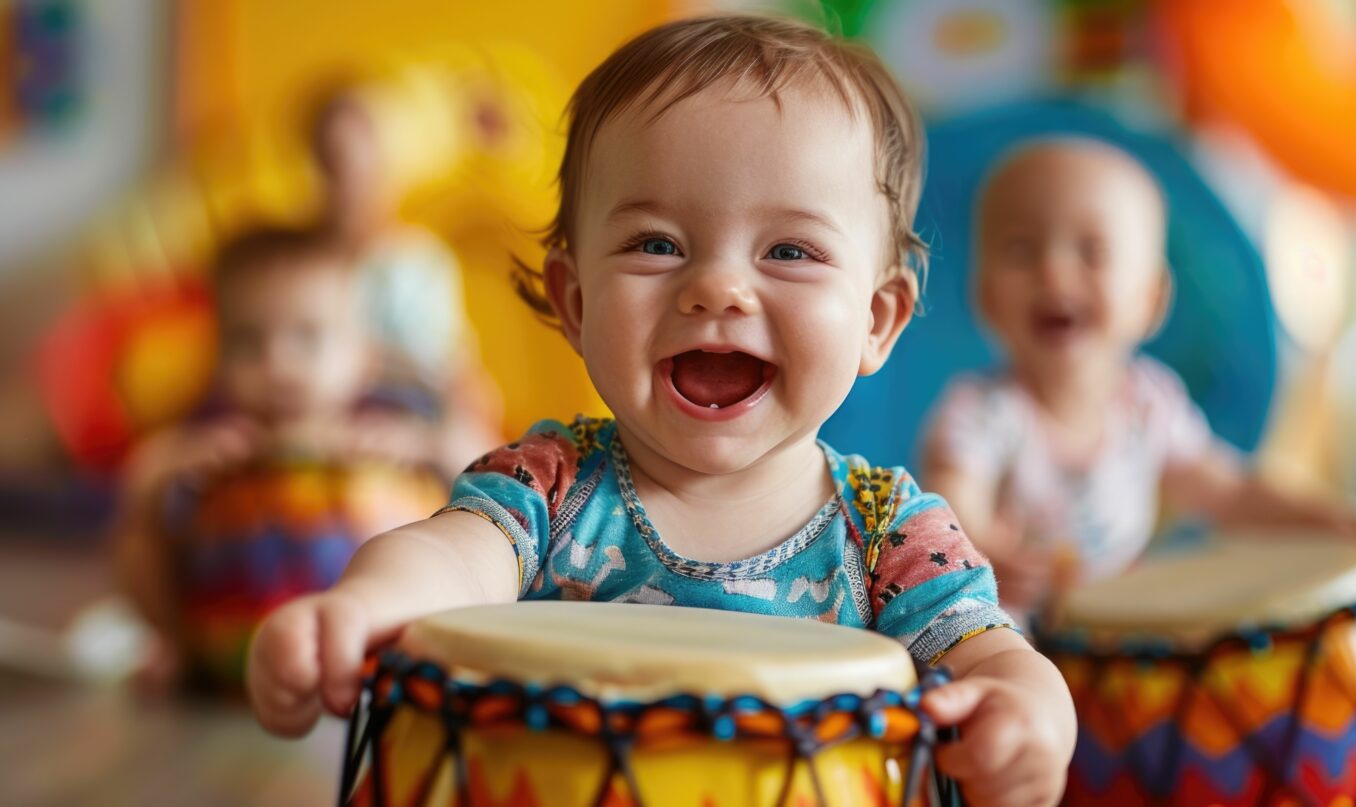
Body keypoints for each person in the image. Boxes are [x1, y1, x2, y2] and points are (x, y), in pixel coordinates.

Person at [249, 15, 1076, 806]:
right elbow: (451, 560)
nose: (717, 286)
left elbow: (994, 652)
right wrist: (357, 609)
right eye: (656, 244)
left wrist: (1029, 713)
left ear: (875, 319)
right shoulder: (550, 484)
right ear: (572, 299)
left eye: (789, 250)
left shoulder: (890, 533)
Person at [921, 137, 1356, 616]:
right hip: (1006, 634)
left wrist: (1354, 527)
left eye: (1091, 251)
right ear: (983, 295)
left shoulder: (1149, 404)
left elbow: (1234, 495)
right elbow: (953, 505)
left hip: (1110, 637)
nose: (1054, 272)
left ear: (1151, 299)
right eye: (1021, 250)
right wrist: (983, 552)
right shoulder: (979, 411)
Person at [113, 226, 447, 689]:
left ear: (364, 357)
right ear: (218, 357)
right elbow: (141, 497)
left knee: (457, 525)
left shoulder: (382, 441)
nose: (277, 364)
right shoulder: (215, 452)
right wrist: (165, 470)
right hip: (227, 654)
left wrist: (424, 447)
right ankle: (174, 647)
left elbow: (487, 473)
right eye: (248, 342)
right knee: (140, 527)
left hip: (368, 657)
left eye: (308, 337)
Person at [311, 85, 503, 476]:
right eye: (337, 168)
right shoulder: (303, 262)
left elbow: (448, 368)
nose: (352, 189)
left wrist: (459, 406)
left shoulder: (417, 260)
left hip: (412, 404)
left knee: (471, 447)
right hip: (321, 405)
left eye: (364, 169)